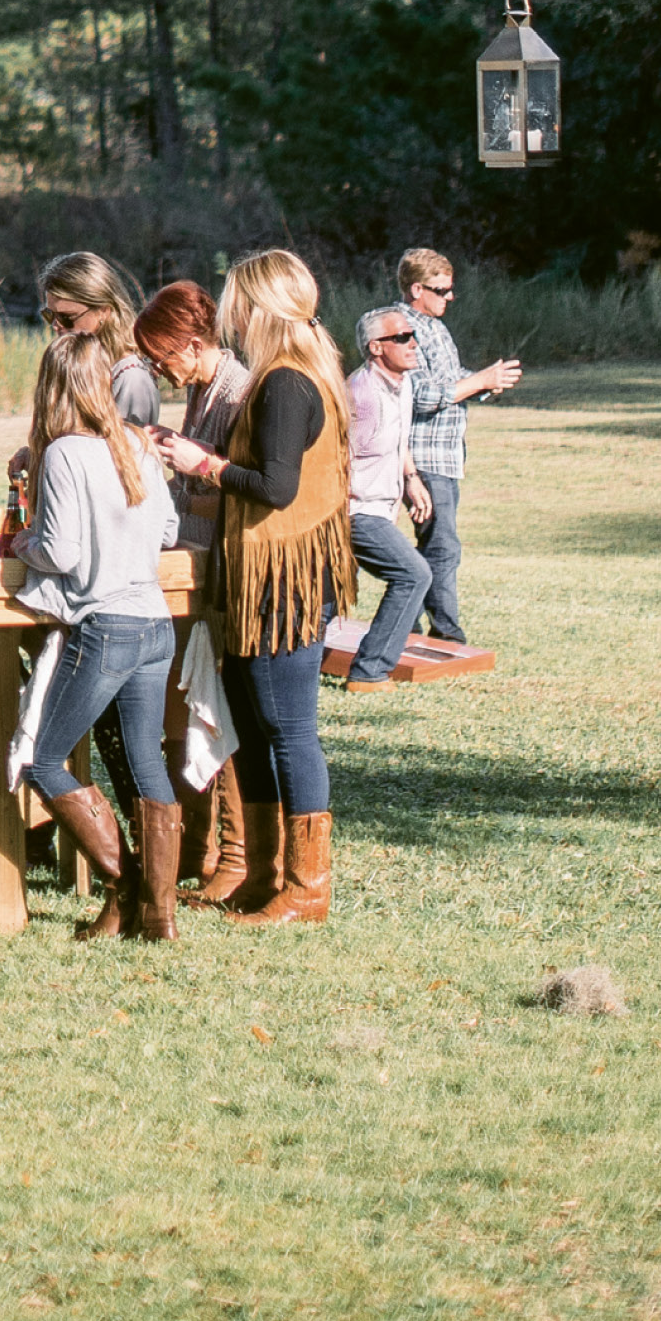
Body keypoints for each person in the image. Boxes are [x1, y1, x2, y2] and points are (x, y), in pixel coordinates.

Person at [155, 247, 353, 926]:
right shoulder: (288, 375)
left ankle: (307, 888)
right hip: (264, 577)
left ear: (260, 307)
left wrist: (201, 464)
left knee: (289, 730)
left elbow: (277, 487)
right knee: (259, 729)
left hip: (284, 583)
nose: (229, 311)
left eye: (236, 298)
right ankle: (265, 876)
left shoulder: (286, 383)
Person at [15, 332, 182, 942]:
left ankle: (126, 886)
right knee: (145, 767)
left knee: (46, 762)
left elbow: (59, 551)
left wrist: (23, 544)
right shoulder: (137, 443)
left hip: (104, 625)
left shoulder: (63, 453)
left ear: (54, 387)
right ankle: (157, 916)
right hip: (154, 623)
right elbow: (167, 529)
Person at [130, 279, 255, 903]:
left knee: (218, 704)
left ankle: (236, 852)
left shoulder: (239, 390)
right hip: (190, 566)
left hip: (224, 567)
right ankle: (195, 842)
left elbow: (243, 484)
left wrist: (189, 465)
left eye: (163, 357)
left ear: (195, 342)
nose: (160, 370)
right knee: (185, 702)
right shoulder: (204, 389)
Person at [397, 249, 521, 645]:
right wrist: (480, 381)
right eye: (441, 290)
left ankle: (410, 629)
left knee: (434, 544)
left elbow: (452, 380)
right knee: (441, 546)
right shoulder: (405, 330)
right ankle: (445, 635)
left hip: (444, 455)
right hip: (424, 455)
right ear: (417, 289)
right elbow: (423, 396)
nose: (450, 297)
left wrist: (489, 382)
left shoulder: (434, 326)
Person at [342, 309, 437, 687]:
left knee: (330, 598)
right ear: (376, 347)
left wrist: (410, 477)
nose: (413, 343)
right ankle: (369, 671)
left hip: (381, 507)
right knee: (414, 574)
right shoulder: (361, 395)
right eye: (401, 337)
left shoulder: (402, 383)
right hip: (355, 510)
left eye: (412, 334)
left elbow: (399, 441)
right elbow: (335, 455)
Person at [39, 249, 159, 424]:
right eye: (49, 315)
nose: (56, 325)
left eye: (67, 318)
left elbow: (127, 449)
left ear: (103, 310)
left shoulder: (131, 379)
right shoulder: (79, 366)